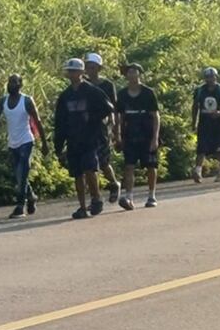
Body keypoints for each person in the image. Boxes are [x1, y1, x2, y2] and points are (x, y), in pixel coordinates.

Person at [54, 58, 115, 220]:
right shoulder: (65, 96)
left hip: (90, 138)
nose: (72, 74)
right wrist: (58, 146)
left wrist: (92, 118)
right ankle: (82, 206)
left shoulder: (91, 91)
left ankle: (96, 198)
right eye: (70, 71)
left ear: (82, 72)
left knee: (90, 169)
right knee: (77, 174)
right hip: (73, 139)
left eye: (75, 71)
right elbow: (59, 121)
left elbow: (108, 107)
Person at [0, 74, 48, 219]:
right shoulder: (3, 101)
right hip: (12, 143)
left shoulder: (26, 101)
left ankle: (20, 206)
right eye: (9, 82)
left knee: (22, 172)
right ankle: (31, 196)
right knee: (19, 175)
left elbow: (37, 121)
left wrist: (45, 143)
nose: (11, 84)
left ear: (20, 84)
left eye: (14, 82)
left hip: (26, 141)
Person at [114, 63, 161, 209]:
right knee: (129, 166)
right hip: (130, 134)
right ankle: (129, 197)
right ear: (126, 75)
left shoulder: (148, 92)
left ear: (139, 74)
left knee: (151, 166)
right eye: (129, 72)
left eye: (135, 72)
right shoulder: (121, 94)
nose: (132, 75)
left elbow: (156, 116)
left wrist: (155, 138)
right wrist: (118, 136)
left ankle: (151, 195)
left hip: (146, 132)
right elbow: (119, 117)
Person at [84, 53, 123, 204]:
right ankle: (95, 197)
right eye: (87, 67)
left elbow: (114, 108)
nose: (90, 70)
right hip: (86, 127)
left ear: (99, 68)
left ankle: (114, 183)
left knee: (103, 161)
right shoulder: (83, 84)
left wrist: (115, 129)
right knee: (89, 163)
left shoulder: (107, 85)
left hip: (103, 126)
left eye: (93, 67)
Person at [191, 67, 220, 183]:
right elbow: (195, 106)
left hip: (218, 124)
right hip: (204, 123)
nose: (209, 79)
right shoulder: (199, 91)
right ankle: (198, 171)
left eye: (212, 77)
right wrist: (194, 122)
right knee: (201, 148)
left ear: (216, 77)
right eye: (207, 77)